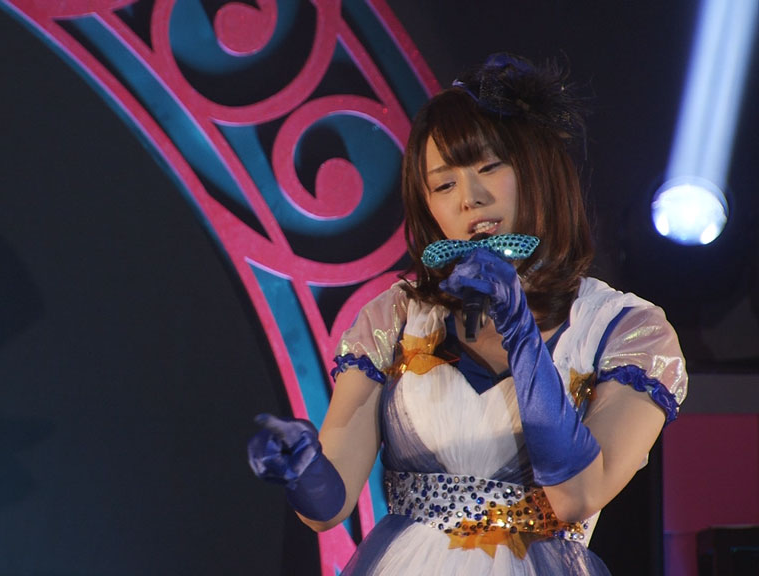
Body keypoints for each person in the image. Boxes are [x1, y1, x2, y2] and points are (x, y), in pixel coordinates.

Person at [247, 54, 687, 575]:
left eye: (488, 168)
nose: (470, 200)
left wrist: (521, 332)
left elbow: (577, 496)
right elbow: (329, 507)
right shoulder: (395, 316)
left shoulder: (627, 331)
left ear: (538, 168)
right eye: (444, 185)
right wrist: (302, 469)